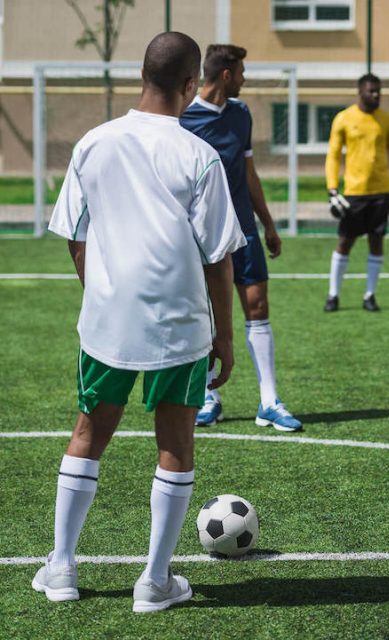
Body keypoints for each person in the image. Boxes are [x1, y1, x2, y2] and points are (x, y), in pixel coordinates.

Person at [32, 32, 246, 611]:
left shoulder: (93, 143)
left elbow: (73, 234)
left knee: (88, 434)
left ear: (141, 77)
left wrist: (103, 292)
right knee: (175, 444)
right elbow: (218, 257)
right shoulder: (198, 154)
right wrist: (225, 336)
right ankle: (154, 583)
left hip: (108, 323)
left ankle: (63, 570)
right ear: (186, 85)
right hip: (179, 325)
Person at [180, 44, 302, 432]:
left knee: (257, 305)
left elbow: (248, 172)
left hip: (244, 229)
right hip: (200, 233)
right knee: (204, 313)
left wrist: (267, 223)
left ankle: (268, 401)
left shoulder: (241, 114)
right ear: (226, 75)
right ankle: (206, 396)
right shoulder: (182, 119)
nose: (246, 79)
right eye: (243, 72)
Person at [324, 73, 389, 313]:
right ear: (360, 92)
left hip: (382, 192)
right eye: (372, 91)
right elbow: (332, 155)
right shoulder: (344, 119)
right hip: (354, 192)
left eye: (378, 91)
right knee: (345, 241)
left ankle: (370, 296)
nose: (376, 95)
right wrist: (332, 189)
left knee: (376, 241)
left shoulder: (388, 120)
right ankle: (333, 295)